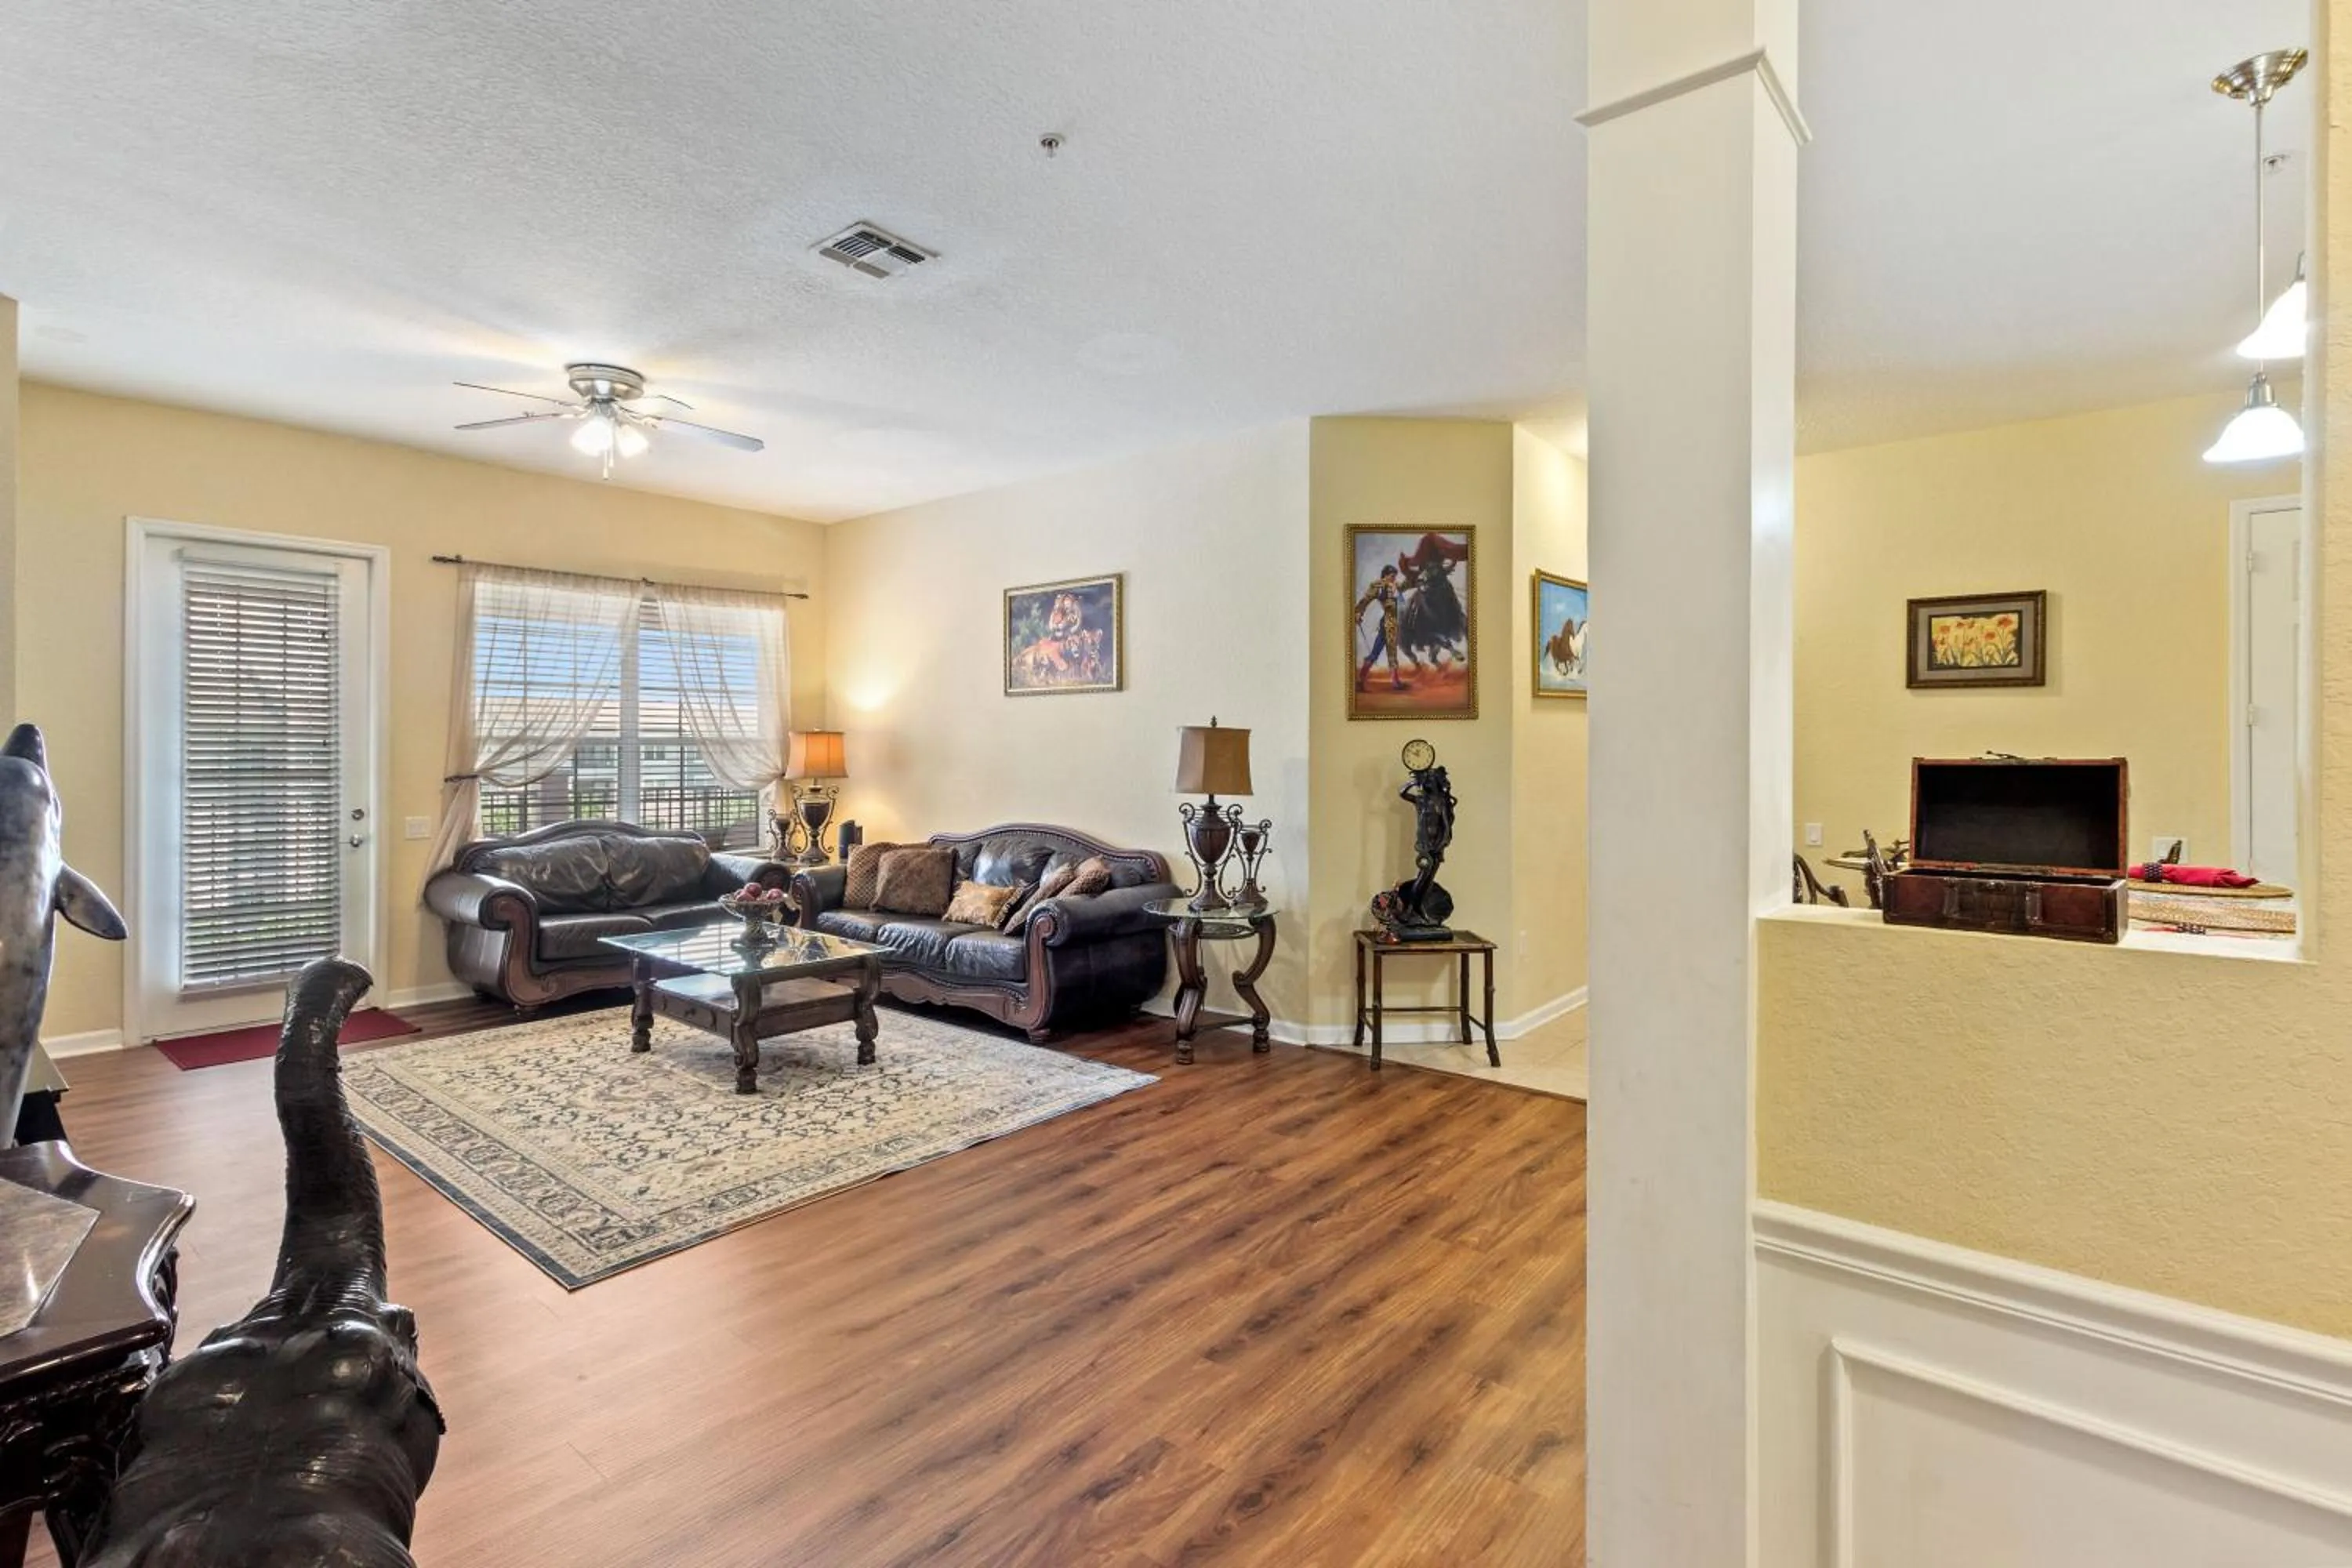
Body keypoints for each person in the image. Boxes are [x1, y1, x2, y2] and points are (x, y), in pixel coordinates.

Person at [1354, 564, 1407, 691]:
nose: (1394, 578)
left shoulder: (1396, 586)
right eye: (1392, 576)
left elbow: (1407, 585)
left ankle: (1362, 680)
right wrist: (1358, 612)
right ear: (1386, 575)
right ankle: (1394, 682)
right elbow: (1366, 599)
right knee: (1385, 652)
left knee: (1381, 652)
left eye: (1395, 576)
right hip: (1388, 623)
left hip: (1394, 623)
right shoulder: (1379, 585)